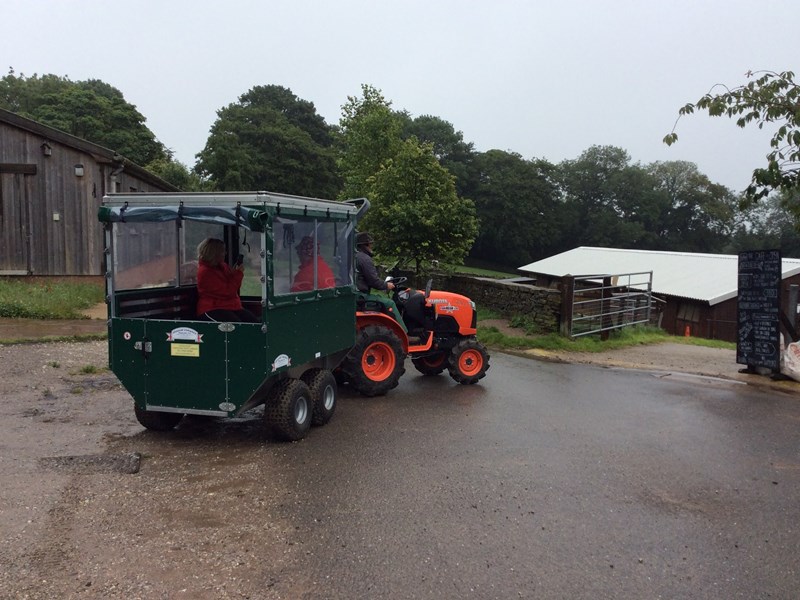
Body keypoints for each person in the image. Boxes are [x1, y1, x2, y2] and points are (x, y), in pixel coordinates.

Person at [196, 237, 259, 322]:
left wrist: (234, 273)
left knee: (253, 323)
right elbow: (227, 292)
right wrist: (238, 274)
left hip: (230, 306)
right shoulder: (205, 272)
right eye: (222, 251)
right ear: (214, 253)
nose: (225, 253)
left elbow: (233, 287)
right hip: (212, 308)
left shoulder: (222, 266)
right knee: (236, 326)